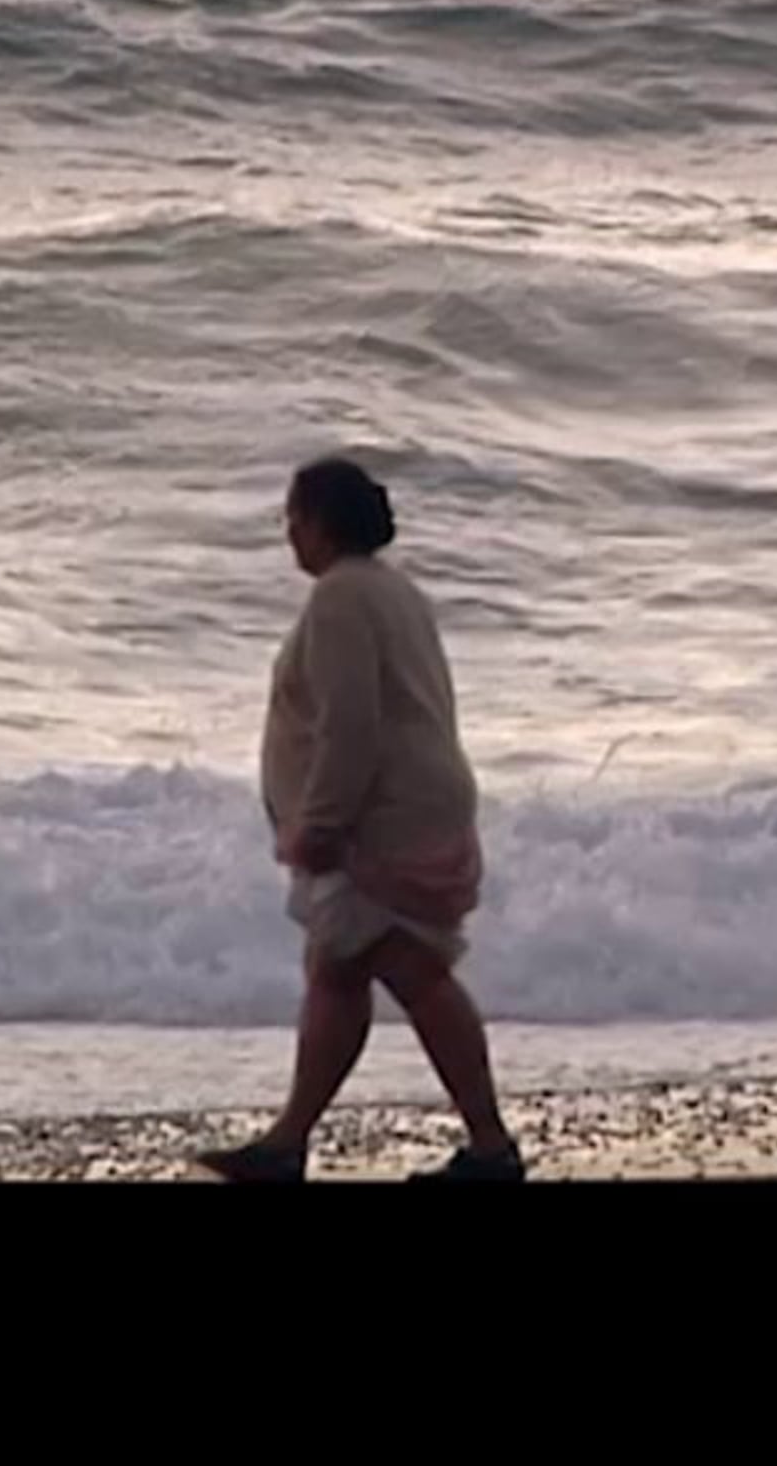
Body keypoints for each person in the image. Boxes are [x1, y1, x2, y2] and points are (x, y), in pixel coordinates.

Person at [196, 457, 522, 1183]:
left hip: (378, 821)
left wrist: (321, 822)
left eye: (294, 516)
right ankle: (287, 1142)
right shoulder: (394, 590)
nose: (288, 532)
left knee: (412, 969)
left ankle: (491, 1147)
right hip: (413, 804)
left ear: (322, 522)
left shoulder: (341, 597)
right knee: (336, 973)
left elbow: (352, 724)